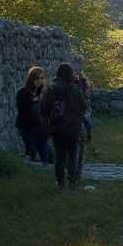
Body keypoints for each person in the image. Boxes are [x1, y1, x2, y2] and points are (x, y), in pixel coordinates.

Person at [40, 63, 89, 191]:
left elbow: (44, 108)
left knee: (60, 155)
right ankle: (72, 182)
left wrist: (46, 124)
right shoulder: (75, 89)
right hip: (73, 126)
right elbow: (83, 106)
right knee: (72, 153)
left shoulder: (50, 88)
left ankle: (60, 182)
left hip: (57, 126)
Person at [15, 66, 52, 164]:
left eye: (41, 78)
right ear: (31, 79)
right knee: (31, 150)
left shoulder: (43, 92)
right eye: (37, 78)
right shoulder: (23, 92)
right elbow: (22, 110)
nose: (39, 81)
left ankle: (49, 172)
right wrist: (33, 101)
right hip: (28, 127)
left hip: (40, 126)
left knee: (46, 152)